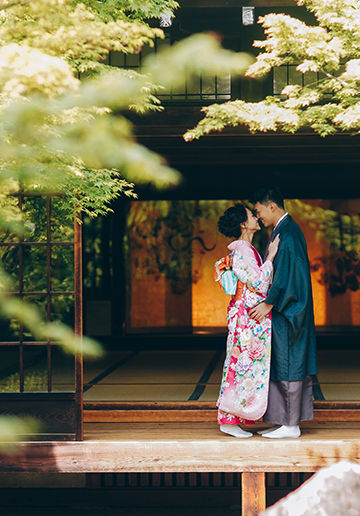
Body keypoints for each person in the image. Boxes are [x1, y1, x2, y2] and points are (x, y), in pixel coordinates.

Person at [249, 186, 318, 439]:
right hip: (286, 308)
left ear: (272, 207)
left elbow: (287, 275)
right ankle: (284, 422)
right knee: (281, 364)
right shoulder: (284, 231)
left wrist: (269, 303)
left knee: (289, 365)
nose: (258, 217)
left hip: (290, 310)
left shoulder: (287, 234)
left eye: (259, 211)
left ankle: (291, 424)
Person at [215, 204, 279, 438]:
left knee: (242, 366)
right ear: (243, 224)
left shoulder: (245, 249)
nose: (257, 217)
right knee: (240, 366)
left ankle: (234, 418)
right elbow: (259, 283)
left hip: (245, 315)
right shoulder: (242, 249)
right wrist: (271, 257)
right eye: (252, 215)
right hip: (246, 318)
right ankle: (228, 420)